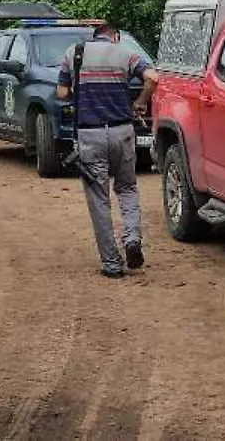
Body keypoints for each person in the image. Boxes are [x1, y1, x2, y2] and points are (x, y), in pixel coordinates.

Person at [57, 22, 158, 278]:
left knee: (98, 197)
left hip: (89, 134)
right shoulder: (125, 53)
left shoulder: (73, 53)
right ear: (115, 36)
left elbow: (61, 93)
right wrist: (141, 102)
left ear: (94, 37)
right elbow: (152, 78)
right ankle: (132, 238)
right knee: (127, 188)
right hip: (122, 131)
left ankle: (112, 264)